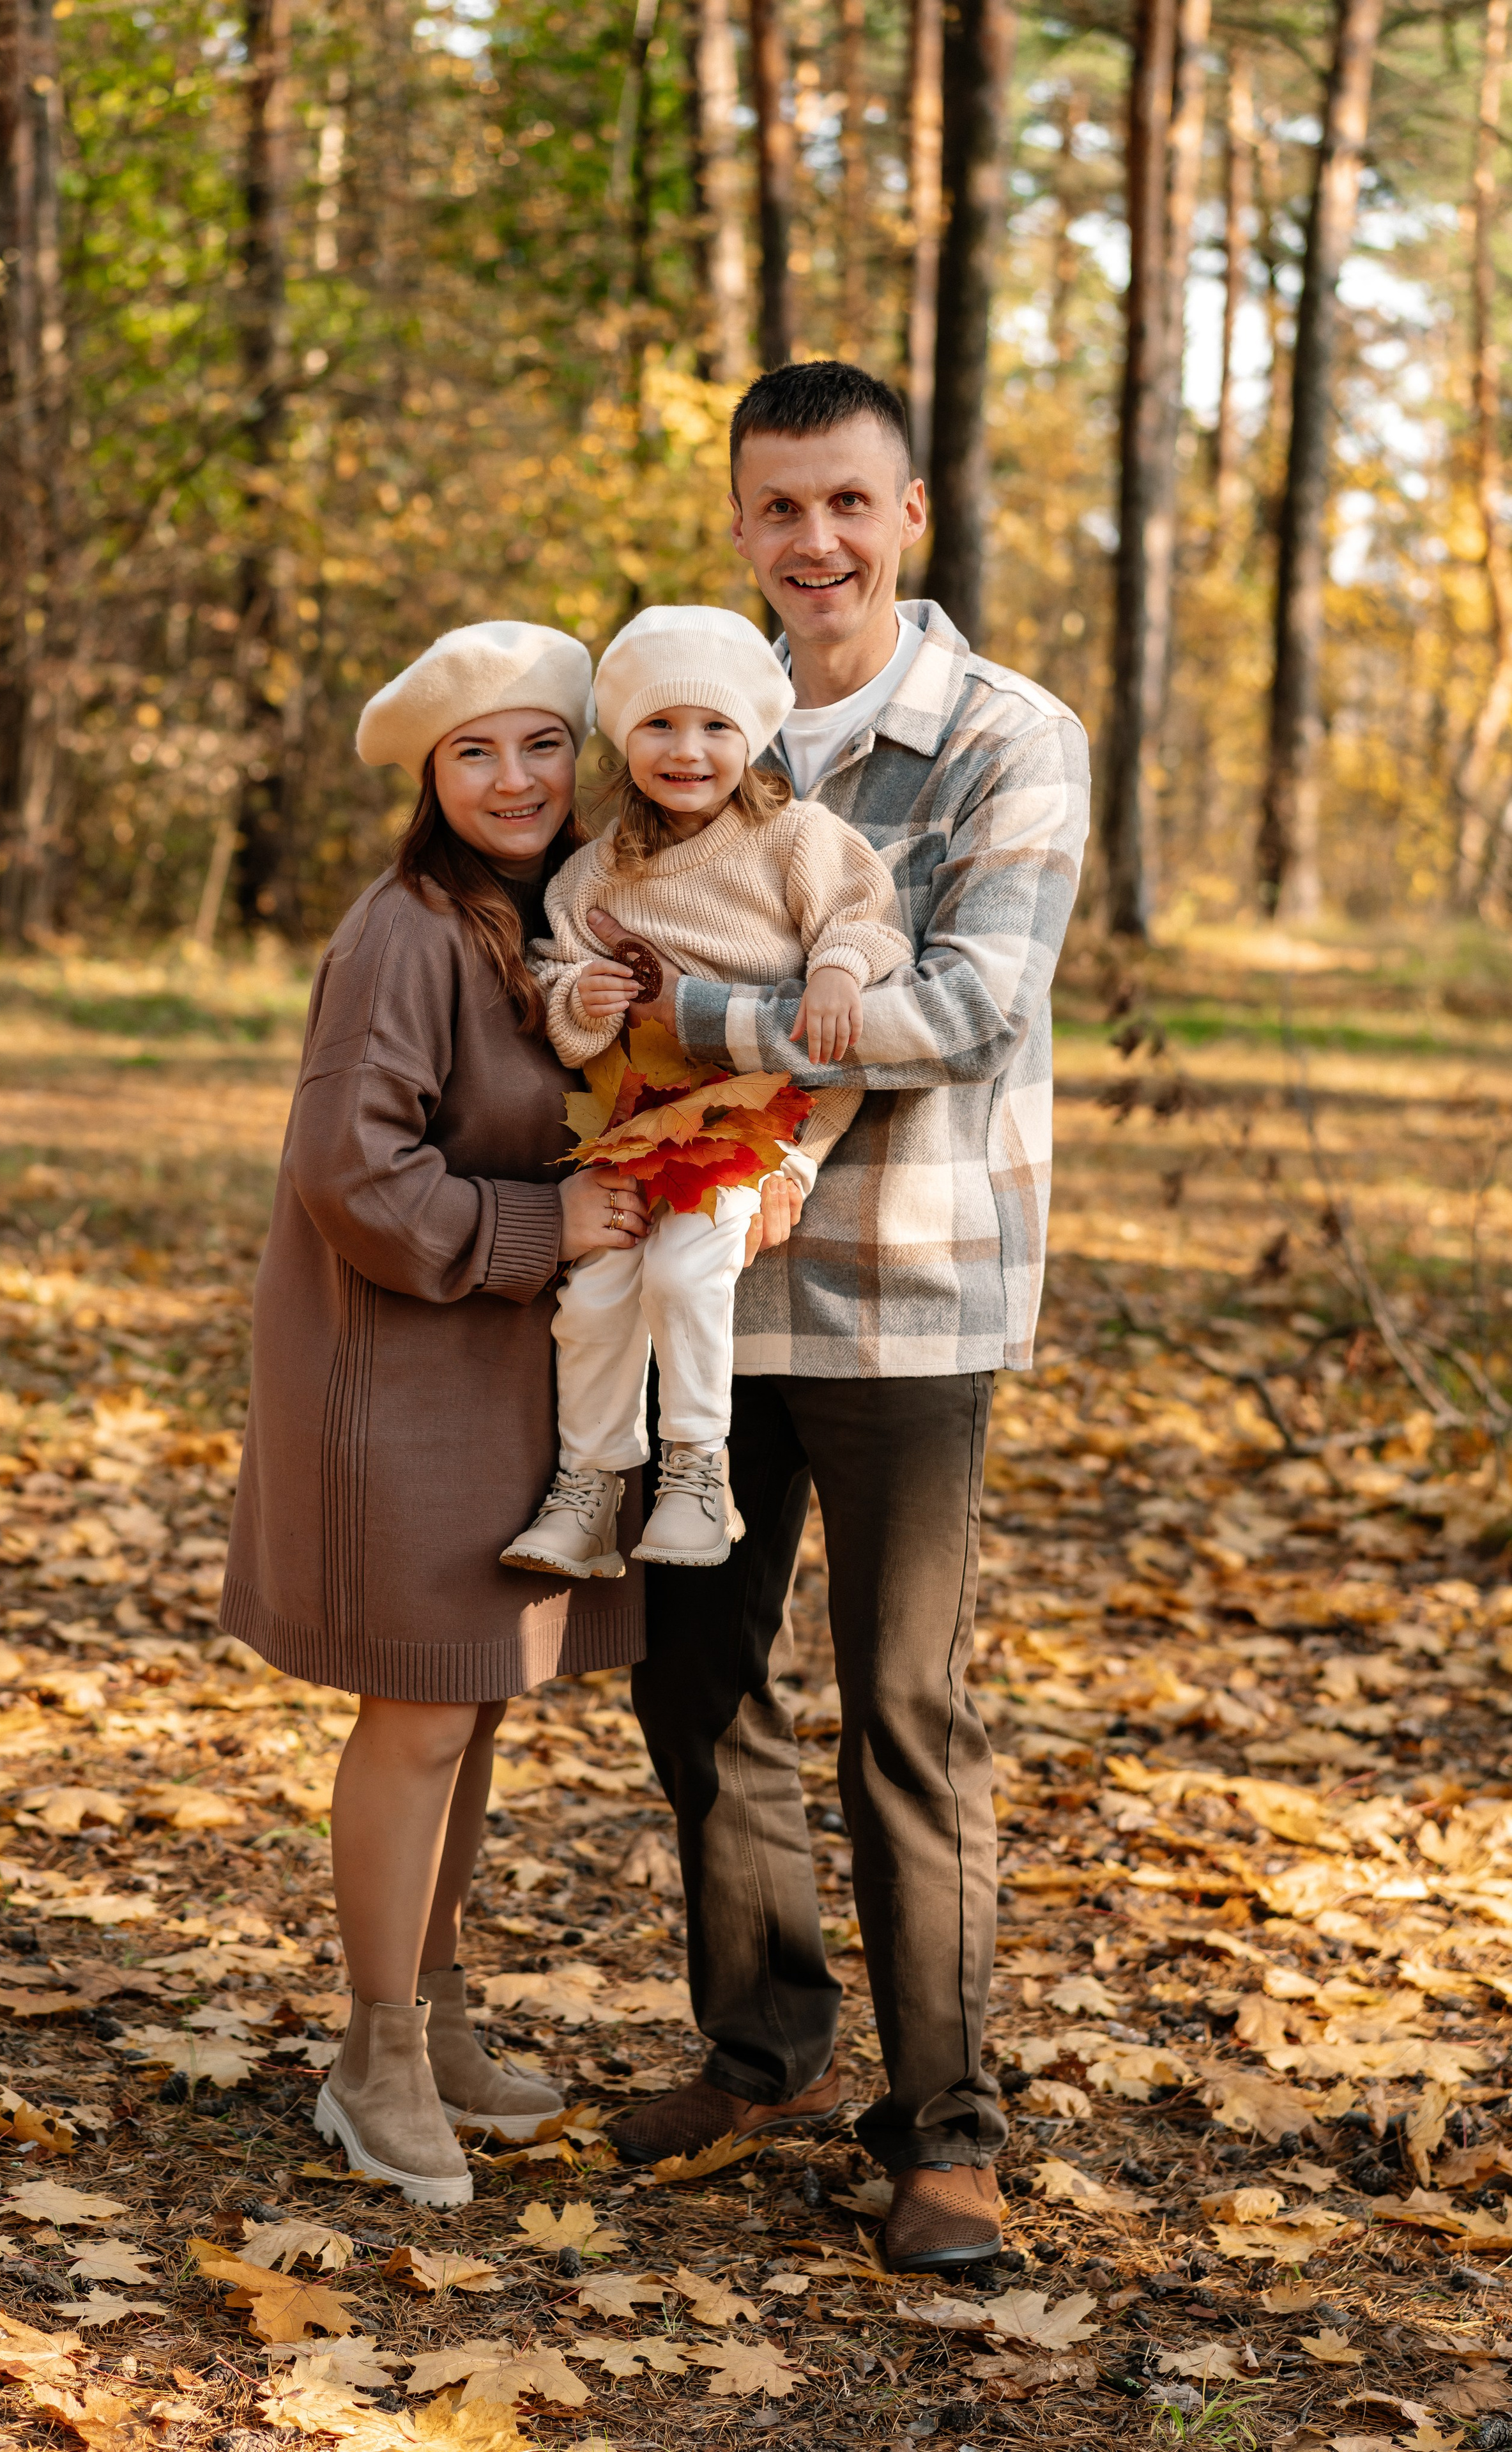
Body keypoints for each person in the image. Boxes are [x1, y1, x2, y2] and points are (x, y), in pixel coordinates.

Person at [590, 363, 1091, 2274]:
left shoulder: (1004, 735)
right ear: (739, 522)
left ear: (910, 520)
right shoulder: (679, 715)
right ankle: (766, 2042)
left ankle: (947, 2124)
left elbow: (969, 1009)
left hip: (908, 1283)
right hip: (694, 1275)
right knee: (696, 1676)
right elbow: (574, 929)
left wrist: (684, 1025)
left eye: (848, 505)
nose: (815, 542)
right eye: (778, 507)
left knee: (905, 1704)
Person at [218, 620, 650, 2207]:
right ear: (431, 776)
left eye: (542, 743)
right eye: (477, 752)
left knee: (468, 1703)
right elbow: (352, 1173)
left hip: (502, 1375)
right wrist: (550, 1229)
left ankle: (440, 2007)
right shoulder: (404, 931)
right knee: (414, 1713)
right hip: (391, 1374)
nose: (516, 775)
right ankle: (373, 2053)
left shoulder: (558, 920)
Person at [499, 604, 910, 1579]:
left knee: (685, 1273)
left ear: (753, 735)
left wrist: (840, 970)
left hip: (755, 1110)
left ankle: (694, 1471)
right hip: (639, 1115)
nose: (689, 751)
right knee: (595, 1292)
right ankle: (591, 1487)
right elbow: (558, 986)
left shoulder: (796, 838)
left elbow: (869, 917)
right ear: (625, 737)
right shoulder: (591, 875)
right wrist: (581, 997)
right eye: (661, 725)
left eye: (716, 726)